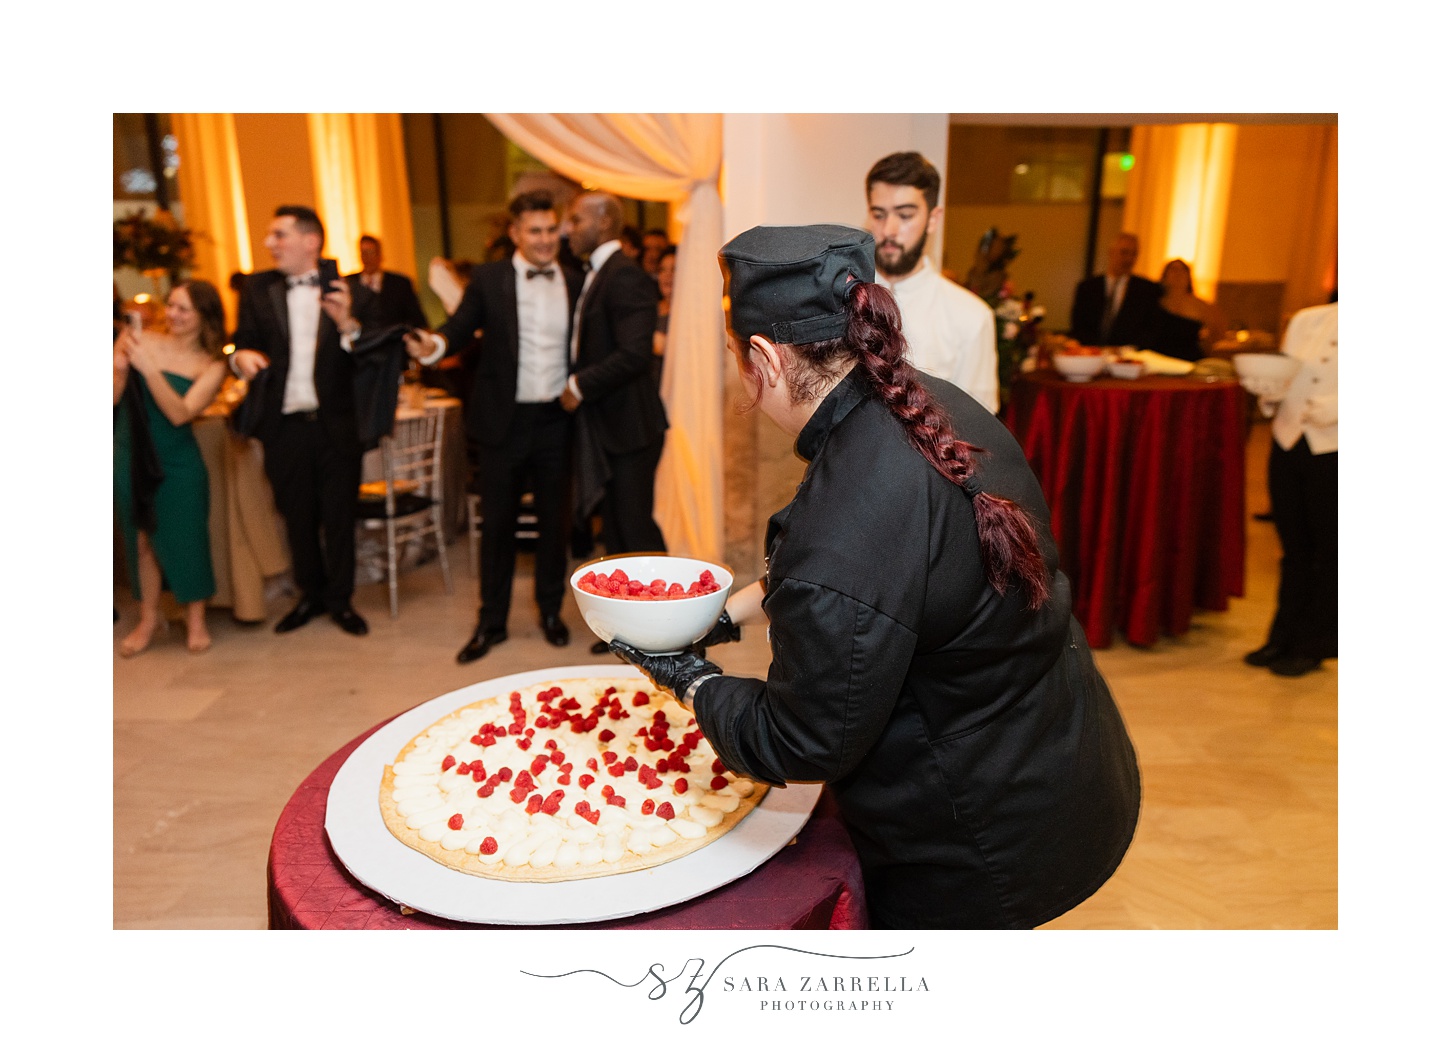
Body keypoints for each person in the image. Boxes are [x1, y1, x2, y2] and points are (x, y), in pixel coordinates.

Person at [610, 224, 1141, 929]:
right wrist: (724, 615)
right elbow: (882, 571)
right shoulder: (929, 400)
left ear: (764, 358)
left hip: (978, 836)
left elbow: (799, 739)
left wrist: (691, 677)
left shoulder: (848, 521)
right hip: (1065, 755)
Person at [405, 191, 584, 663]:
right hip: (503, 422)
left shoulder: (575, 277)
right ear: (515, 233)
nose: (545, 240)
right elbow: (459, 326)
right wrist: (434, 346)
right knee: (498, 526)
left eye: (551, 230)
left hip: (557, 420)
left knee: (554, 526)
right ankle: (491, 622)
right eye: (534, 231)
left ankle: (550, 612)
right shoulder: (489, 279)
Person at [229, 205, 373, 636]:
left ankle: (342, 601)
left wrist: (347, 323)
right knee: (297, 517)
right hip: (284, 426)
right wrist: (241, 358)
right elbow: (242, 344)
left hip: (336, 425)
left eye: (279, 235)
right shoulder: (257, 289)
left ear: (311, 241)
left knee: (340, 517)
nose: (270, 243)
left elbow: (374, 357)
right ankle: (309, 596)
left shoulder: (353, 291)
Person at [563, 191, 669, 653]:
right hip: (612, 425)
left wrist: (579, 385)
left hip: (632, 427)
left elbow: (634, 354)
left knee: (635, 528)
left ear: (604, 221)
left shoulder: (624, 275)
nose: (569, 229)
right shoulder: (598, 273)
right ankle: (630, 630)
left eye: (575, 218)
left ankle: (667, 623)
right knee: (623, 530)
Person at [113, 280, 229, 656]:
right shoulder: (141, 341)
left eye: (183, 309)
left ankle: (195, 620)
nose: (172, 315)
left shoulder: (211, 365)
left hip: (178, 460)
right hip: (131, 454)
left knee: (186, 538)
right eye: (171, 306)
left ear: (204, 317)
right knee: (143, 543)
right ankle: (149, 619)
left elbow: (180, 414)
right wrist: (118, 365)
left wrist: (148, 370)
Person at [1240, 301, 1338, 677]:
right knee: (1294, 548)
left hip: (1336, 448)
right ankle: (1281, 636)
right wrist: (1269, 393)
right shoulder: (1307, 318)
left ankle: (1313, 644)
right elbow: (1286, 372)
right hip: (1288, 440)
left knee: (1330, 552)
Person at [864, 151, 999, 412]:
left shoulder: (971, 317)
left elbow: (978, 425)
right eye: (879, 215)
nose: (889, 229)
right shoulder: (841, 299)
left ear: (933, 219)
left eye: (904, 215)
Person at [1069, 232, 1163, 347]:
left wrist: (1126, 350)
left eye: (1134, 254)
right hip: (1091, 354)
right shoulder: (1087, 287)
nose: (1129, 259)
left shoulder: (1147, 290)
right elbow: (1079, 326)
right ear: (1111, 252)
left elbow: (1150, 329)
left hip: (1129, 358)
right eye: (1124, 252)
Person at [1141, 258, 1227, 362]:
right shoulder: (1153, 303)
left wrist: (1207, 346)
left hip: (1188, 360)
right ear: (1165, 276)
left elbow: (1218, 331)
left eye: (1182, 270)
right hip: (1157, 359)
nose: (1178, 274)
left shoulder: (1201, 306)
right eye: (1173, 270)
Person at [346, 235, 427, 330]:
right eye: (363, 253)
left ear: (380, 255)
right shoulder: (348, 283)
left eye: (371, 253)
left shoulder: (400, 284)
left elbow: (416, 318)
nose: (367, 258)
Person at [650, 245, 676, 391]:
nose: (667, 276)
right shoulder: (650, 309)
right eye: (662, 270)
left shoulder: (686, 317)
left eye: (674, 269)